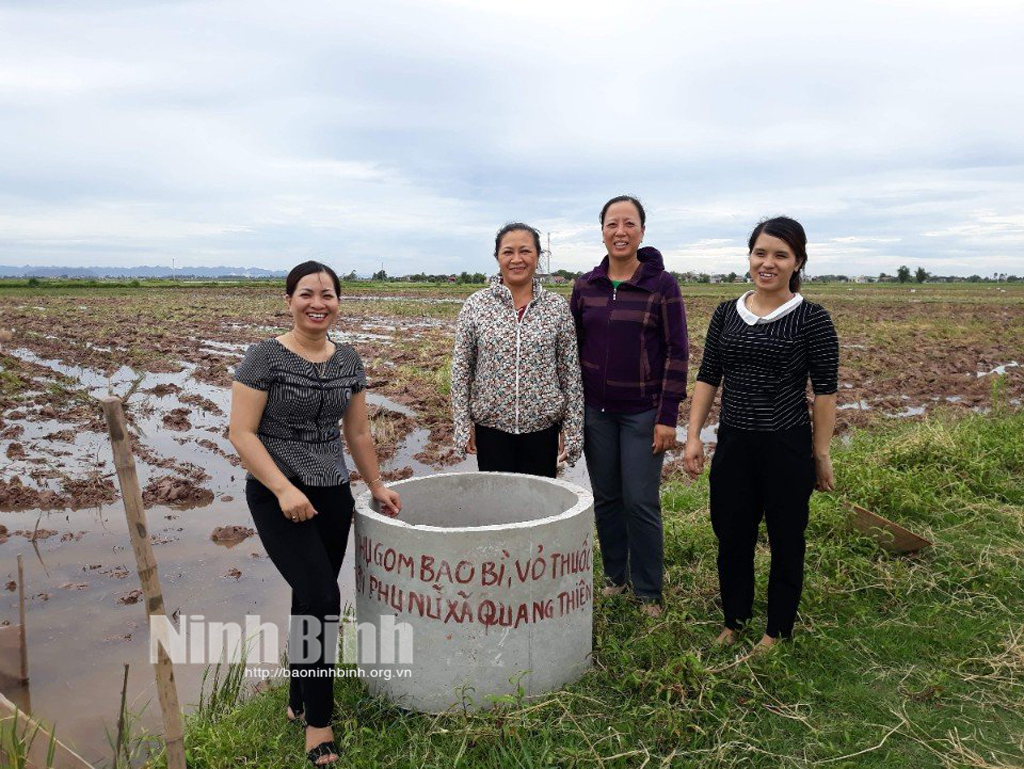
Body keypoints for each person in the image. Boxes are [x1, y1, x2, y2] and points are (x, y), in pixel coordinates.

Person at [229, 261, 401, 767]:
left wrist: (375, 485)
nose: (317, 303)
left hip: (331, 493)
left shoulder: (348, 359)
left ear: (338, 301)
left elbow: (359, 433)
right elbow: (242, 433)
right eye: (307, 293)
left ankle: (299, 694)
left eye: (327, 294)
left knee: (308, 596)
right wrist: (282, 489)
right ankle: (319, 724)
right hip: (279, 494)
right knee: (325, 598)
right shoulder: (264, 357)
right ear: (289, 300)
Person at [683, 216, 838, 652]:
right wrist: (694, 436)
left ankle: (777, 630)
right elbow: (708, 375)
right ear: (749, 257)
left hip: (785, 445)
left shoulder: (811, 318)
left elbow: (825, 393)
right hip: (734, 442)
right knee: (732, 534)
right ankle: (734, 619)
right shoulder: (725, 313)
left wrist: (820, 453)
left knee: (788, 537)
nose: (767, 263)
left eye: (780, 255)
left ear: (798, 262)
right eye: (760, 253)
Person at [570, 196, 689, 618]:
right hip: (595, 413)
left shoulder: (661, 285)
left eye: (629, 223)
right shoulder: (586, 285)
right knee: (606, 497)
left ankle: (648, 590)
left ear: (642, 230)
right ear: (601, 230)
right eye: (612, 224)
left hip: (642, 412)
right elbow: (573, 350)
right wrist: (572, 412)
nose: (620, 232)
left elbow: (678, 352)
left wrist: (667, 416)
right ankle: (614, 577)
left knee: (640, 500)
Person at [451, 223, 584, 477]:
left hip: (542, 430)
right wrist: (463, 423)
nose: (516, 259)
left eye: (525, 251)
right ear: (497, 257)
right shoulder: (477, 305)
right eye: (508, 252)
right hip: (490, 428)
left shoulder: (555, 308)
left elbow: (570, 373)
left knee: (538, 507)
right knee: (497, 507)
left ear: (537, 256)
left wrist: (572, 428)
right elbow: (460, 370)